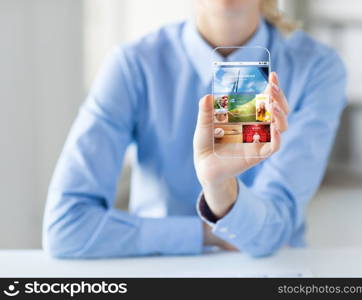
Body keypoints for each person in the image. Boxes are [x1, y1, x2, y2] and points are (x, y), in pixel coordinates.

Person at [43, 0, 346, 258]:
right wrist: (208, 233)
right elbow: (66, 229)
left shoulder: (316, 67)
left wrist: (221, 188)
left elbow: (272, 232)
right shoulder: (133, 65)